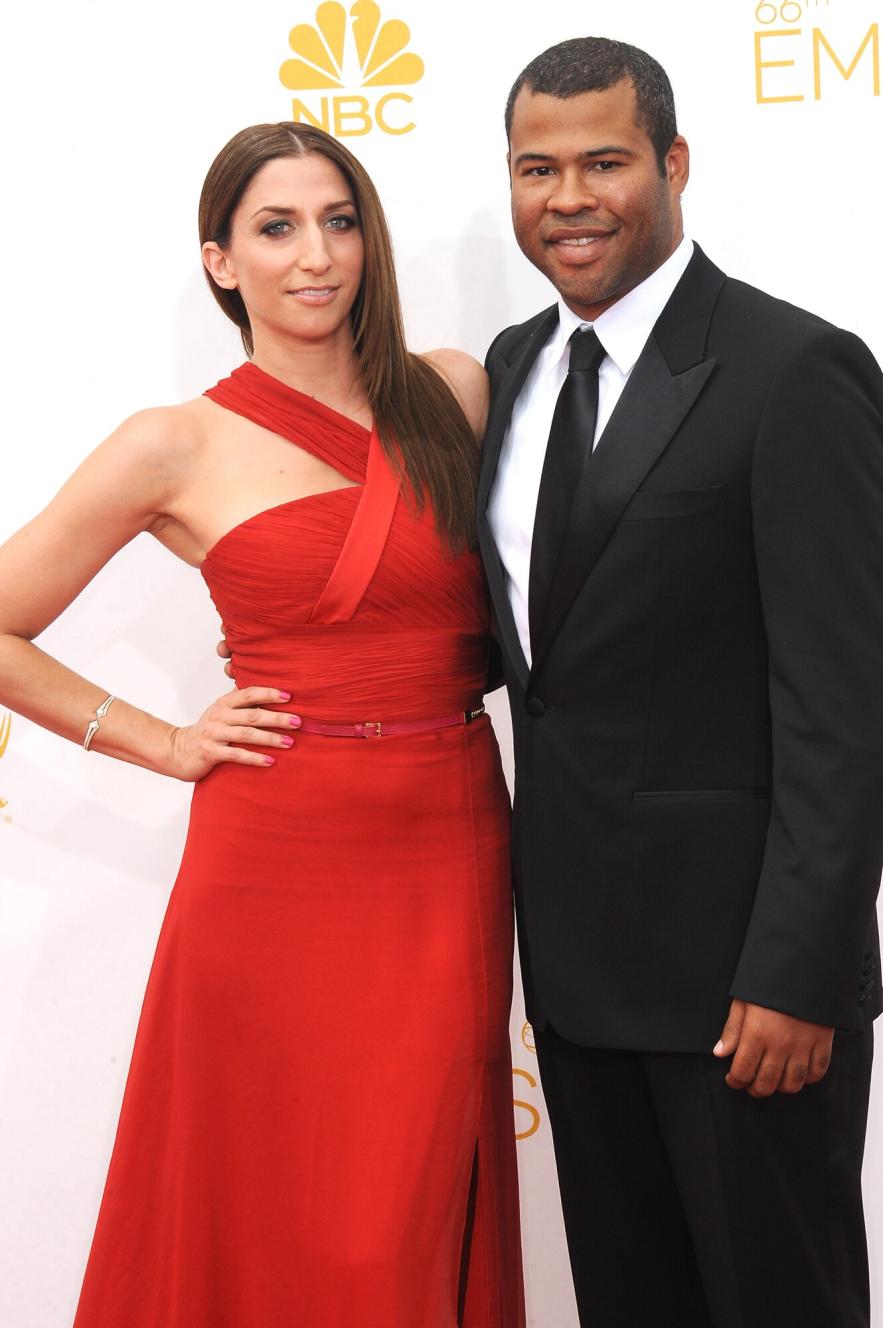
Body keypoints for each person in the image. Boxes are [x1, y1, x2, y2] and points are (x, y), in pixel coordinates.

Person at [0, 122, 524, 1328]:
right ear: (220, 260)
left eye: (339, 220)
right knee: (265, 1174)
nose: (316, 255)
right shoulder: (170, 442)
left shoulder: (454, 389)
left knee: (404, 1195)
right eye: (277, 228)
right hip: (272, 852)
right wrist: (160, 738)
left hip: (446, 836)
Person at [478, 37, 883, 1328]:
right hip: (578, 967)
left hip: (741, 987)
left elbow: (839, 706)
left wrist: (796, 971)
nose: (569, 198)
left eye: (604, 162)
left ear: (672, 164)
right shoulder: (509, 368)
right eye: (536, 169)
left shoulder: (794, 370)